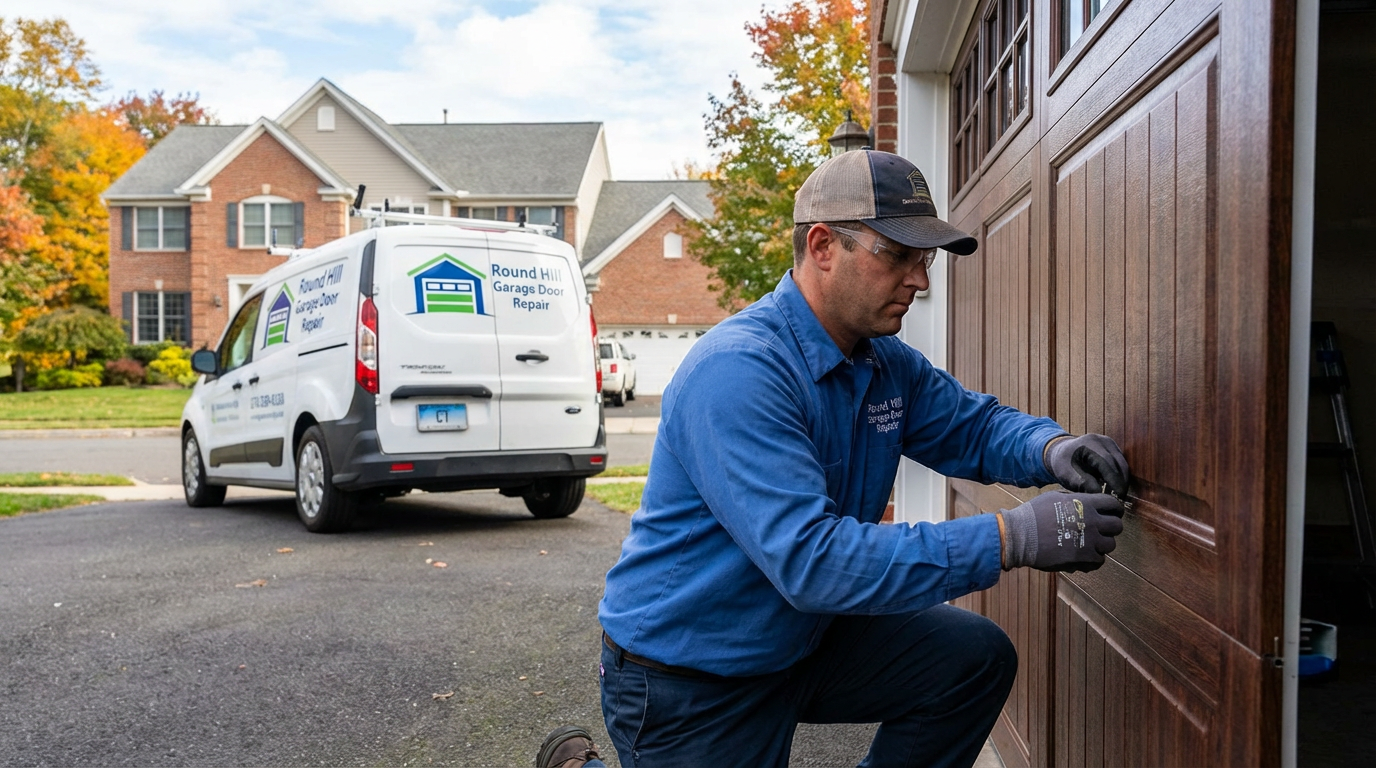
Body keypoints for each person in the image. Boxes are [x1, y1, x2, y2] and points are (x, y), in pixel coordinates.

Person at [536, 150, 1130, 768]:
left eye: (923, 261)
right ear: (823, 246)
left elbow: (972, 426)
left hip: (801, 638)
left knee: (971, 659)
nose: (920, 281)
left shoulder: (881, 362)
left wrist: (1050, 447)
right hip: (692, 675)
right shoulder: (740, 371)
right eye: (897, 256)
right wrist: (1012, 537)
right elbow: (812, 561)